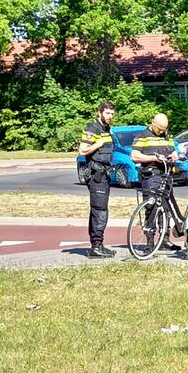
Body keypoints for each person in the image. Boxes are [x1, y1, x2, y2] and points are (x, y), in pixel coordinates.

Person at [130, 113, 182, 253]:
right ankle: (150, 243)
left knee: (166, 208)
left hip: (166, 175)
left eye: (164, 129)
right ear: (152, 123)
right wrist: (153, 158)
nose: (161, 132)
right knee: (152, 207)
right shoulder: (143, 136)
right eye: (159, 129)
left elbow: (174, 151)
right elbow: (134, 155)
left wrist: (174, 156)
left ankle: (165, 239)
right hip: (151, 175)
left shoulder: (166, 136)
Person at [77, 101, 116, 258]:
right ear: (99, 112)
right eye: (107, 113)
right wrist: (97, 144)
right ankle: (96, 247)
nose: (110, 116)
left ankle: (99, 244)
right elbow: (82, 150)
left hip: (104, 174)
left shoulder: (106, 128)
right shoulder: (92, 128)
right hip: (95, 174)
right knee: (99, 210)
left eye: (112, 114)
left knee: (102, 209)